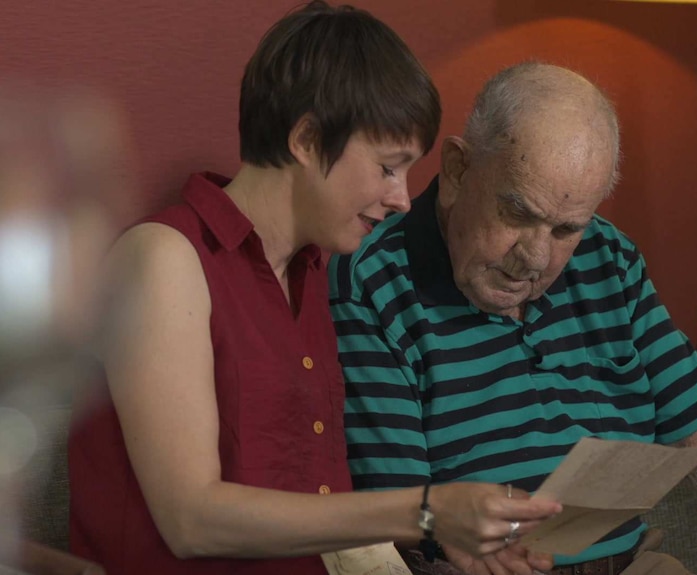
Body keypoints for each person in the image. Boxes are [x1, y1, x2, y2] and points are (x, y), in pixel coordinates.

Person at [67, 7, 563, 575]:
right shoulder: (162, 257)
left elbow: (318, 518)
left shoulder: (312, 279)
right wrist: (427, 512)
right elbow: (190, 519)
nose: (402, 198)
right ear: (306, 139)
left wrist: (446, 538)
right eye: (387, 167)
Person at [328, 62, 697, 575]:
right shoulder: (373, 282)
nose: (535, 258)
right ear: (457, 170)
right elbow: (397, 518)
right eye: (518, 213)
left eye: (566, 229)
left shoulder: (609, 258)